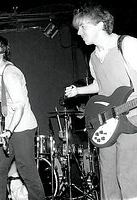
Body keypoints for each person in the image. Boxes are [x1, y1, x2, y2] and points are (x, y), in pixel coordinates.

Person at [65, 5, 137, 199]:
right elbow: (99, 84)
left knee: (128, 176)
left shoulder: (127, 44)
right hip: (106, 121)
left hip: (130, 117)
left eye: (82, 27)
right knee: (108, 177)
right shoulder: (93, 57)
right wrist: (78, 90)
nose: (78, 33)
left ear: (99, 24)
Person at [0, 35, 45, 200]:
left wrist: (9, 131)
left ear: (2, 52)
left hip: (22, 127)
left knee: (27, 171)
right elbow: (1, 93)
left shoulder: (10, 73)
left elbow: (19, 105)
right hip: (11, 128)